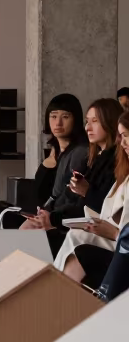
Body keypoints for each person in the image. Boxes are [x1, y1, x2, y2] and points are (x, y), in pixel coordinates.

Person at [21, 98, 122, 253]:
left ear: (110, 123)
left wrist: (53, 218)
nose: (88, 127)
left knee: (29, 237)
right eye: (87, 121)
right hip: (72, 221)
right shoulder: (97, 158)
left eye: (95, 121)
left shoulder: (110, 160)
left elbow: (104, 208)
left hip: (94, 230)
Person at [54, 112, 129, 289]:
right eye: (121, 136)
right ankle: (52, 292)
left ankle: (51, 293)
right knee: (76, 235)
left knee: (77, 238)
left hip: (122, 244)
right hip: (116, 237)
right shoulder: (122, 173)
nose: (122, 142)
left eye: (126, 136)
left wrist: (114, 233)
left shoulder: (98, 161)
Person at [31, 94, 88, 211]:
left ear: (76, 119)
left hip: (58, 218)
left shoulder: (80, 153)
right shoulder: (53, 151)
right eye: (53, 116)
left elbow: (68, 197)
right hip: (39, 215)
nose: (58, 123)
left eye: (65, 117)